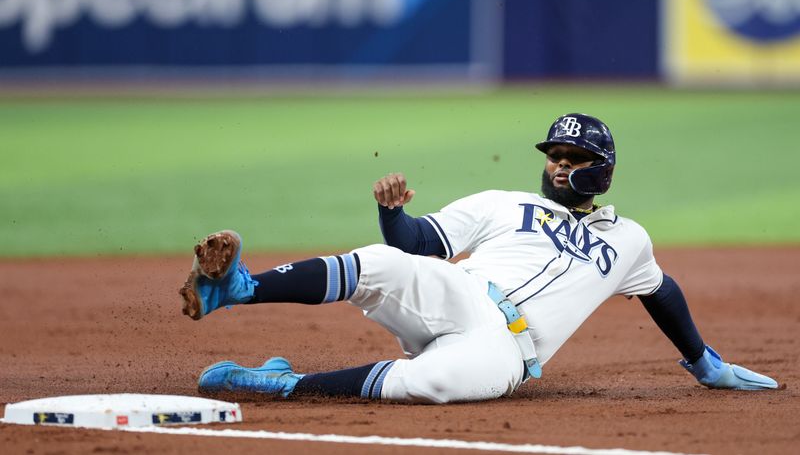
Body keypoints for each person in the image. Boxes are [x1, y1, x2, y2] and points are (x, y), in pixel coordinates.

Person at [179, 113, 778, 403]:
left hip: (506, 351)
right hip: (460, 291)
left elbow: (661, 291)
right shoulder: (503, 201)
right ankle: (240, 288)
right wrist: (392, 215)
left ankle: (282, 384)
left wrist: (704, 363)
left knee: (435, 382)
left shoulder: (630, 241)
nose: (559, 165)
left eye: (573, 157)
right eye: (554, 155)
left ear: (602, 169)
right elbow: (418, 244)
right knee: (383, 263)